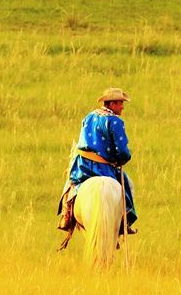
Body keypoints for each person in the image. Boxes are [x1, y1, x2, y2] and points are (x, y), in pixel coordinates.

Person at [57, 87, 137, 236]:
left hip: (83, 166)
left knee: (71, 184)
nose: (122, 106)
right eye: (120, 103)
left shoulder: (89, 117)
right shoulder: (115, 122)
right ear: (111, 104)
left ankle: (66, 215)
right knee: (128, 186)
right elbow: (122, 150)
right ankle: (126, 220)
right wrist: (123, 158)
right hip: (105, 169)